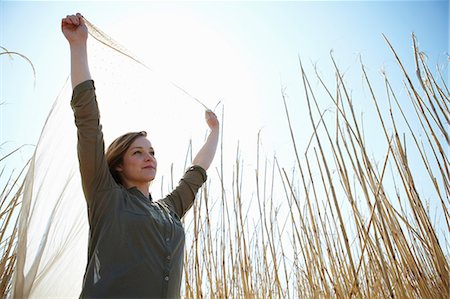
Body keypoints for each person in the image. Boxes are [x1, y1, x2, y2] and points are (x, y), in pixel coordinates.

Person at [62, 13, 219, 298]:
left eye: (152, 152)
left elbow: (196, 174)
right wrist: (78, 46)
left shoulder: (170, 210)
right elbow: (88, 122)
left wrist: (214, 133)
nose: (149, 157)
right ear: (119, 165)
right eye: (138, 152)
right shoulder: (105, 196)